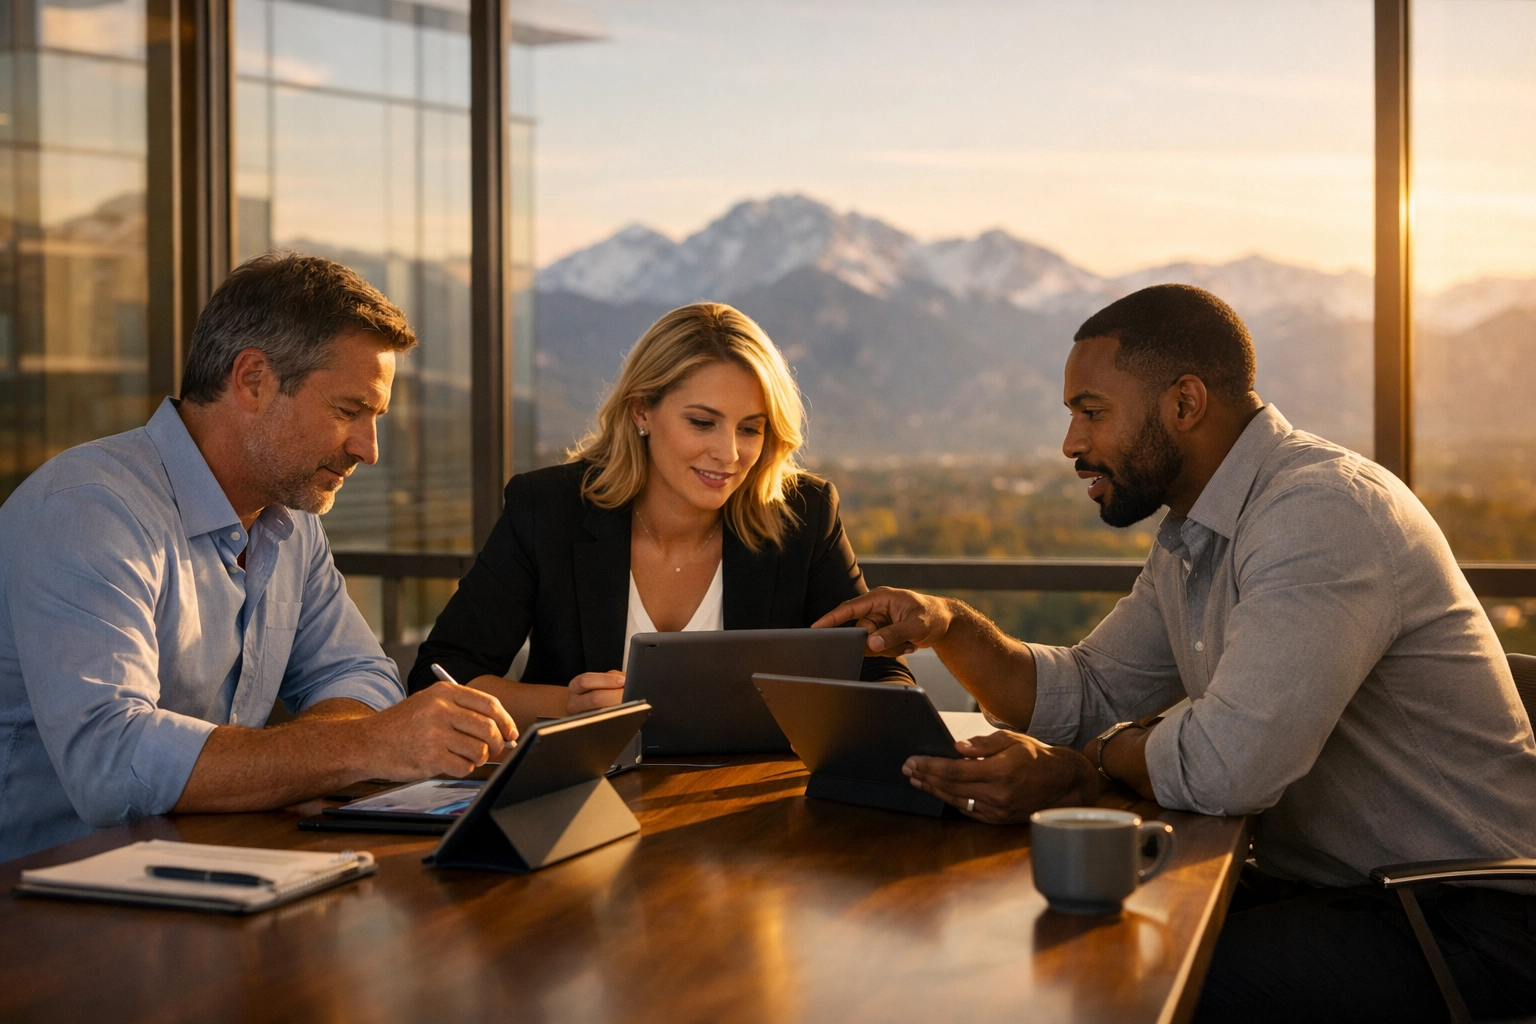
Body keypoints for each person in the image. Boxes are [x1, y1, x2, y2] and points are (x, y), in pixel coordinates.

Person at [814, 284, 1536, 1021]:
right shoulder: (1195, 532)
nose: (1070, 443)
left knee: (1137, 983)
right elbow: (1090, 693)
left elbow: (1230, 765)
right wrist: (951, 627)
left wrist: (1091, 766)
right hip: (1336, 894)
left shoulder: (1321, 512)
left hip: (1460, 917)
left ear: (1184, 403)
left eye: (1091, 411)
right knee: (1058, 944)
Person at [0, 253, 516, 862]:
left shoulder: (291, 522)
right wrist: (359, 747)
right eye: (349, 411)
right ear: (252, 380)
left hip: (209, 869)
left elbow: (359, 677)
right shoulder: (89, 509)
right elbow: (113, 763)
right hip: (45, 911)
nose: (368, 449)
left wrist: (306, 757)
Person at [410, 302, 909, 720]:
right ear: (641, 410)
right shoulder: (548, 509)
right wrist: (567, 705)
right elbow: (440, 676)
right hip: (584, 799)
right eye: (702, 422)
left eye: (750, 428)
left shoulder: (805, 515)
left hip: (746, 805)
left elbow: (879, 674)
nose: (729, 454)